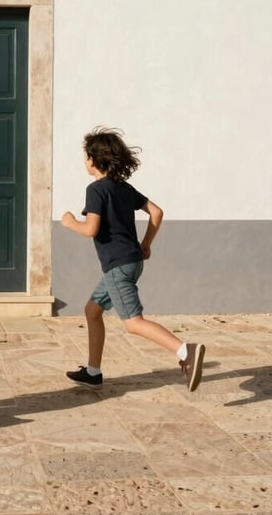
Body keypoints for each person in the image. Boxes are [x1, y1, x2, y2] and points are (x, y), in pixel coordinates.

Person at [61, 127, 205, 392]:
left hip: (117, 266)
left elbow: (91, 229)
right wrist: (146, 244)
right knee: (92, 310)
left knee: (133, 323)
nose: (84, 161)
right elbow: (157, 212)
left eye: (85, 157)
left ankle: (186, 351)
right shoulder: (123, 188)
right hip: (131, 261)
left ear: (94, 159)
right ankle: (93, 372)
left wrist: (70, 223)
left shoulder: (96, 190)